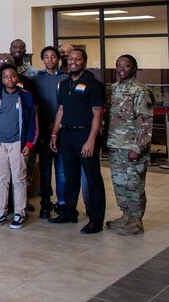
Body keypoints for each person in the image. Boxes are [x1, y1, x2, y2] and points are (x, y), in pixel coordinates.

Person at [49, 48, 106, 234]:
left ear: (84, 62)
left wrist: (91, 141)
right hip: (67, 136)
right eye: (71, 58)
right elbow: (61, 110)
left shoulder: (93, 84)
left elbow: (97, 115)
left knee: (92, 179)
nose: (73, 61)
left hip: (85, 135)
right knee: (70, 177)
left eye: (78, 59)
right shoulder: (64, 84)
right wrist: (55, 134)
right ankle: (68, 213)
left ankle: (96, 220)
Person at [0, 64, 38, 230]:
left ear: (17, 77)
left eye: (12, 76)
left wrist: (29, 143)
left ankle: (19, 213)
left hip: (18, 144)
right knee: (1, 179)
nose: (10, 79)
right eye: (6, 77)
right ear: (2, 79)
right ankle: (1, 212)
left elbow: (33, 122)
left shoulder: (26, 96)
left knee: (19, 179)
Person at [107, 54, 154, 235]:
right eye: (119, 66)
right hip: (115, 145)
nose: (122, 70)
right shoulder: (113, 89)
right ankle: (126, 215)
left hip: (132, 148)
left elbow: (145, 122)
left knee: (134, 184)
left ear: (134, 68)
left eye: (126, 66)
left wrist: (137, 147)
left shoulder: (140, 91)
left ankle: (136, 221)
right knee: (120, 183)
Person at [33, 46, 68, 219]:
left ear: (58, 59)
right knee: (45, 171)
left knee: (61, 170)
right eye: (46, 57)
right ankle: (45, 203)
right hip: (43, 132)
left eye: (53, 56)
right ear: (43, 59)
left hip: (62, 131)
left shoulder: (66, 79)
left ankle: (62, 203)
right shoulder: (36, 79)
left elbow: (67, 106)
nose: (50, 60)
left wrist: (57, 125)